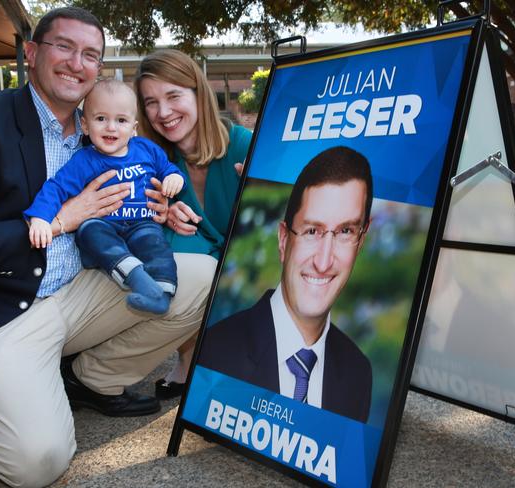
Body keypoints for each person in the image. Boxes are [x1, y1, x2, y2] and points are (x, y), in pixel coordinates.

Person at [0, 7, 215, 487]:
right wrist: (61, 220)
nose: (77, 63)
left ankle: (89, 378)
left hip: (75, 297)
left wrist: (159, 209)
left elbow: (138, 188)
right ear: (32, 53)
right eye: (64, 47)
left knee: (200, 278)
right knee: (38, 463)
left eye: (90, 54)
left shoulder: (103, 129)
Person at [198, 146, 373, 423]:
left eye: (345, 232)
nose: (324, 262)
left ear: (361, 241)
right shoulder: (216, 350)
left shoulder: (358, 371)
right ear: (283, 240)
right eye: (311, 231)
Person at [134, 49, 252, 398]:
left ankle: (229, 357)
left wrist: (263, 189)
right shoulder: (150, 161)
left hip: (245, 261)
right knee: (169, 248)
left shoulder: (243, 145)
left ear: (198, 93)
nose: (164, 112)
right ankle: (187, 358)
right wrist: (160, 211)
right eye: (151, 102)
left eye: (173, 96)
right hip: (199, 262)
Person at [25, 79, 185, 314]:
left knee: (156, 245)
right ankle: (135, 276)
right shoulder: (85, 160)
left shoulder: (146, 149)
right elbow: (56, 188)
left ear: (134, 128)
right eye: (101, 119)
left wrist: (174, 179)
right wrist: (40, 218)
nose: (111, 127)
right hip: (105, 227)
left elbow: (168, 168)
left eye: (121, 120)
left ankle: (161, 294)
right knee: (89, 229)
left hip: (142, 223)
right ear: (85, 125)